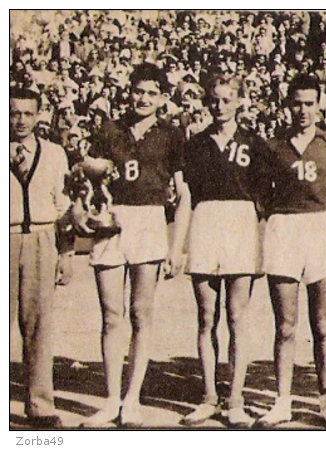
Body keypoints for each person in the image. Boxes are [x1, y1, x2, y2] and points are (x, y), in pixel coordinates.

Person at [76, 63, 191, 427]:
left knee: (142, 314)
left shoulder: (172, 135)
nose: (143, 99)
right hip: (113, 220)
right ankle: (110, 399)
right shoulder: (110, 129)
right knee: (112, 316)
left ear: (162, 98)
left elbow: (184, 193)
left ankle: (132, 400)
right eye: (138, 91)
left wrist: (177, 247)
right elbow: (88, 179)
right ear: (130, 92)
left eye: (151, 93)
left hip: (149, 221)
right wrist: (84, 205)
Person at [255, 74, 326, 429]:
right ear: (288, 105)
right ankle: (282, 401)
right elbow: (259, 194)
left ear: (319, 105)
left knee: (322, 323)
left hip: (319, 227)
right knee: (285, 325)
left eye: (309, 103)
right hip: (284, 228)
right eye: (297, 103)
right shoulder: (271, 146)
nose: (303, 110)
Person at [179, 74, 266, 428]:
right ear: (206, 101)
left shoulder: (253, 143)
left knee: (236, 317)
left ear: (239, 101)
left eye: (227, 99)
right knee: (205, 316)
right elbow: (187, 195)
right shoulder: (195, 144)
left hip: (240, 222)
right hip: (205, 221)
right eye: (214, 99)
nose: (220, 106)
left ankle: (236, 399)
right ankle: (209, 396)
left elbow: (263, 198)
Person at [10, 87, 72, 429]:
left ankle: (39, 404)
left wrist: (65, 252)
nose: (21, 120)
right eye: (14, 113)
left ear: (38, 116)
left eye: (27, 114)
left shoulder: (54, 154)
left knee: (39, 326)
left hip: (42, 240)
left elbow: (63, 207)